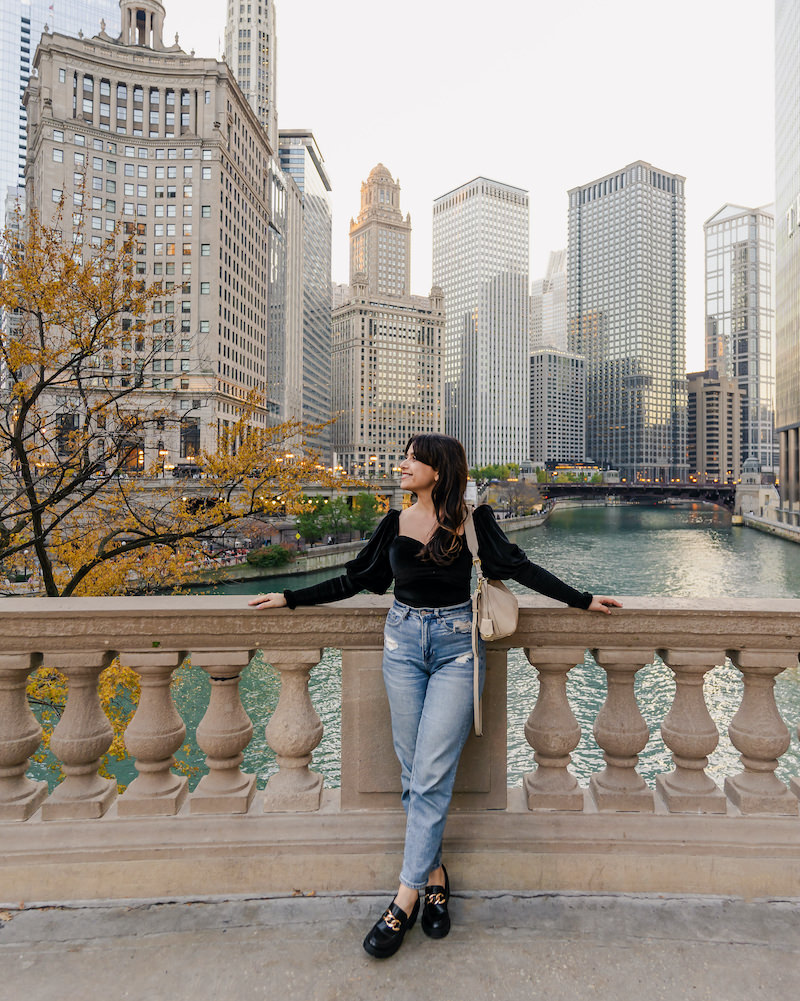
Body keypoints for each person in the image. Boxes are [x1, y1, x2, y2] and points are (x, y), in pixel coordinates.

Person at [249, 433, 621, 958]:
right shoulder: (393, 524)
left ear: (440, 470)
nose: (402, 465)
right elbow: (357, 579)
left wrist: (583, 601)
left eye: (413, 459)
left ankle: (404, 899)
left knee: (427, 772)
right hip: (401, 645)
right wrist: (289, 597)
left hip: (457, 650)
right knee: (413, 770)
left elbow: (519, 569)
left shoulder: (475, 521)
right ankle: (435, 873)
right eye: (404, 457)